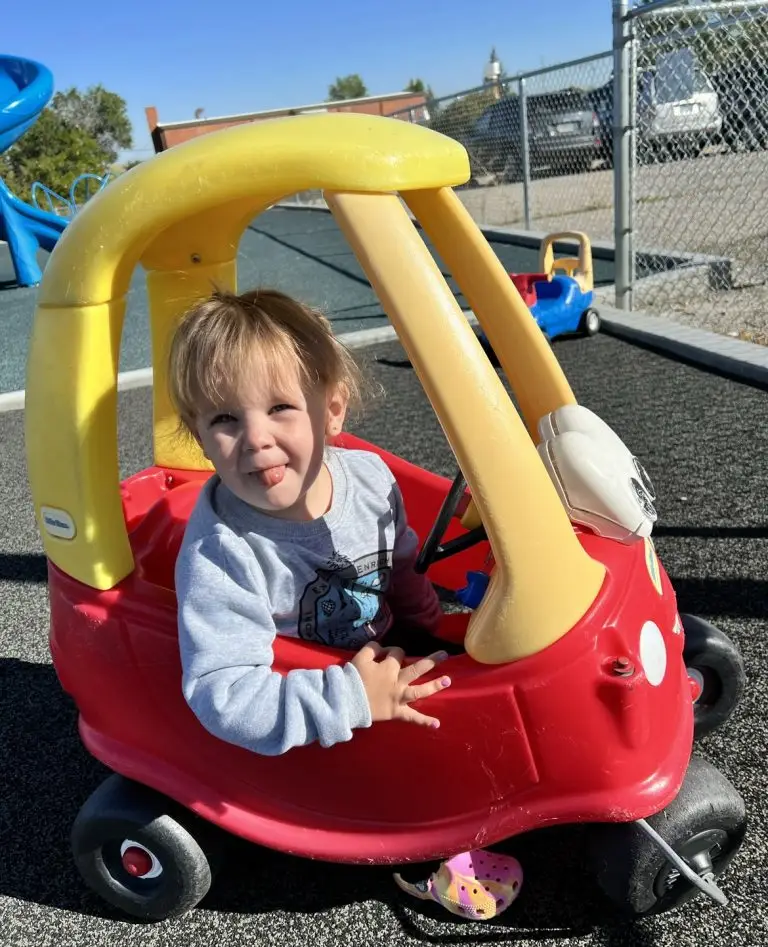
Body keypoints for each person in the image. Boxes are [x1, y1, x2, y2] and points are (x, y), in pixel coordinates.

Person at [168, 287, 523, 921]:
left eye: (280, 407)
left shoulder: (369, 478)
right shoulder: (225, 553)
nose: (254, 439)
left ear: (332, 409)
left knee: (489, 684)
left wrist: (426, 620)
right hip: (318, 705)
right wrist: (352, 698)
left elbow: (400, 560)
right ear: (198, 437)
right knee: (415, 758)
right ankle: (416, 849)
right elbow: (223, 694)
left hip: (381, 651)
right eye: (223, 419)